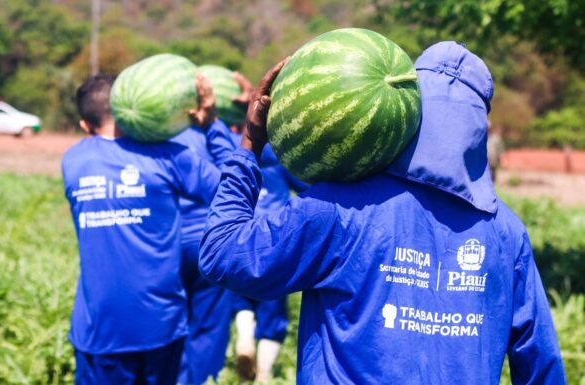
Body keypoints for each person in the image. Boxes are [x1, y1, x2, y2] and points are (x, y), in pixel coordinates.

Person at [199, 42, 566, 384]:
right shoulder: (506, 233)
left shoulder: (340, 207)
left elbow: (222, 253)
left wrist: (249, 145)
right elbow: (541, 365)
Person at [61, 74, 233, 385]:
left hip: (99, 329)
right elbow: (234, 190)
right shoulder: (170, 157)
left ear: (84, 124)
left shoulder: (74, 161)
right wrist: (211, 125)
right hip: (160, 326)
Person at [172, 71, 252, 385]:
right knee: (206, 329)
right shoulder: (222, 136)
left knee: (175, 323)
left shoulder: (161, 137)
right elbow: (235, 177)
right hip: (208, 244)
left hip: (169, 246)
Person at [232, 143, 309, 383]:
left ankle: (245, 338)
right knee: (273, 310)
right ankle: (264, 374)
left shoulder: (239, 158)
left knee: (240, 298)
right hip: (274, 241)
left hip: (242, 237)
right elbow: (307, 189)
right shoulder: (282, 161)